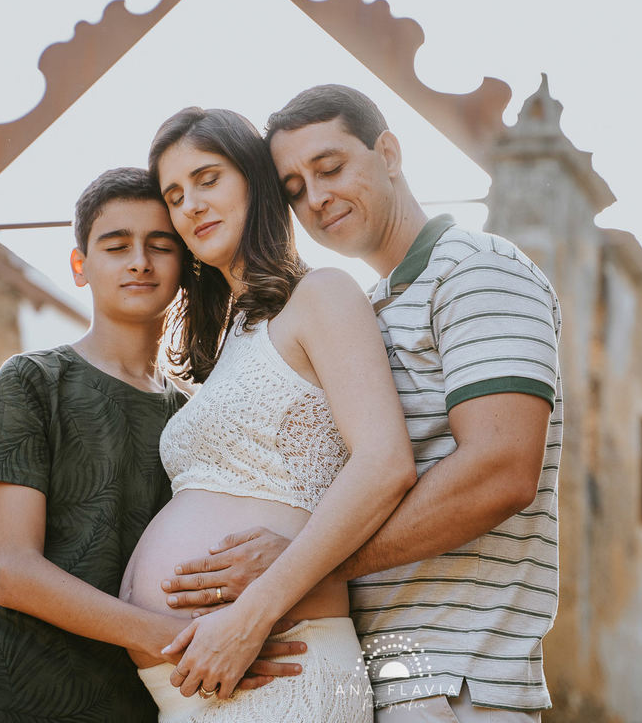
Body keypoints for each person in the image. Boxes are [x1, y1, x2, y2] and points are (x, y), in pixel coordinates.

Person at [167, 85, 564, 721]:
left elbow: (502, 471)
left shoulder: (478, 268)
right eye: (295, 188)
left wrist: (298, 571)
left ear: (389, 152)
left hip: (453, 678)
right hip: (369, 677)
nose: (317, 199)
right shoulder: (366, 310)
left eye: (330, 168)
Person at [0, 168, 302, 723]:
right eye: (116, 246)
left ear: (185, 266)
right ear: (80, 266)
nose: (140, 261)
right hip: (18, 692)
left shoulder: (195, 415)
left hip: (144, 699)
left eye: (161, 246)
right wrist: (185, 639)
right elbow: (15, 573)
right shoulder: (34, 381)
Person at [120, 107, 417, 722]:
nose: (191, 205)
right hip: (195, 681)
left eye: (208, 179)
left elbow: (385, 464)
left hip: (278, 660)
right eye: (175, 196)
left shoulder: (322, 295)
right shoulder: (231, 337)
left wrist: (250, 615)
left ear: (254, 182)